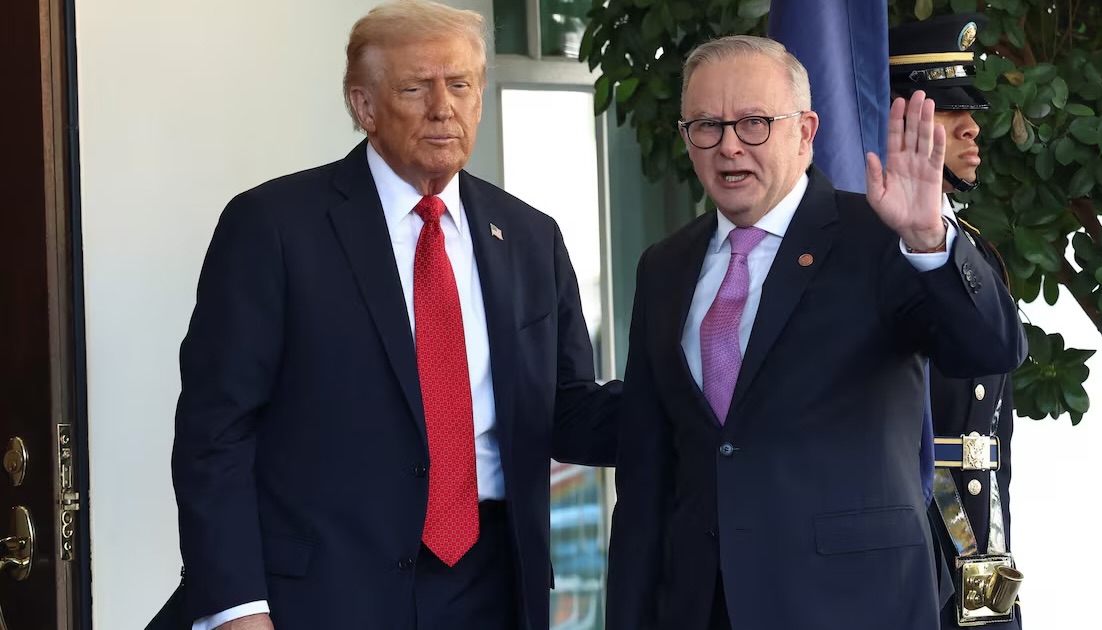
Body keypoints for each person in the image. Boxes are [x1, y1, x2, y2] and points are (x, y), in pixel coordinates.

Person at [170, 2, 620, 629]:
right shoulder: (273, 228)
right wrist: (236, 607)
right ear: (364, 107)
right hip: (322, 595)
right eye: (416, 88)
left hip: (491, 589)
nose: (444, 107)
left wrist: (690, 400)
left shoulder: (529, 237)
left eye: (460, 84)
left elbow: (566, 408)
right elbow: (215, 435)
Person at [604, 34, 1026, 630]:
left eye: (753, 123)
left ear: (805, 131)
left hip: (853, 605)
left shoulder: (881, 237)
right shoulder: (664, 266)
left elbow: (992, 348)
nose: (728, 147)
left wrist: (930, 241)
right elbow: (646, 476)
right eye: (705, 125)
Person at [890, 13, 1023, 628]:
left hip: (979, 530)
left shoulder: (966, 247)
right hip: (910, 534)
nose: (973, 126)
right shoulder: (877, 247)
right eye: (948, 110)